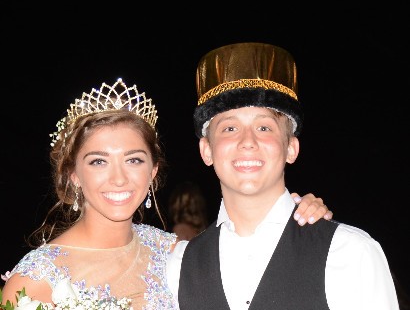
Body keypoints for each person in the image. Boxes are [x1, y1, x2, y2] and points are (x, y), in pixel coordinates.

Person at [0, 78, 333, 309]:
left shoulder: (176, 254)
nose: (119, 178)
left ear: (152, 172)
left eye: (134, 160)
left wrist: (296, 217)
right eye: (99, 161)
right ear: (73, 175)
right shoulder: (34, 281)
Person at [167, 43, 400, 310]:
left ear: (291, 147)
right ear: (206, 150)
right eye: (230, 127)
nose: (247, 141)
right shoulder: (179, 267)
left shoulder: (349, 252)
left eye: (264, 127)